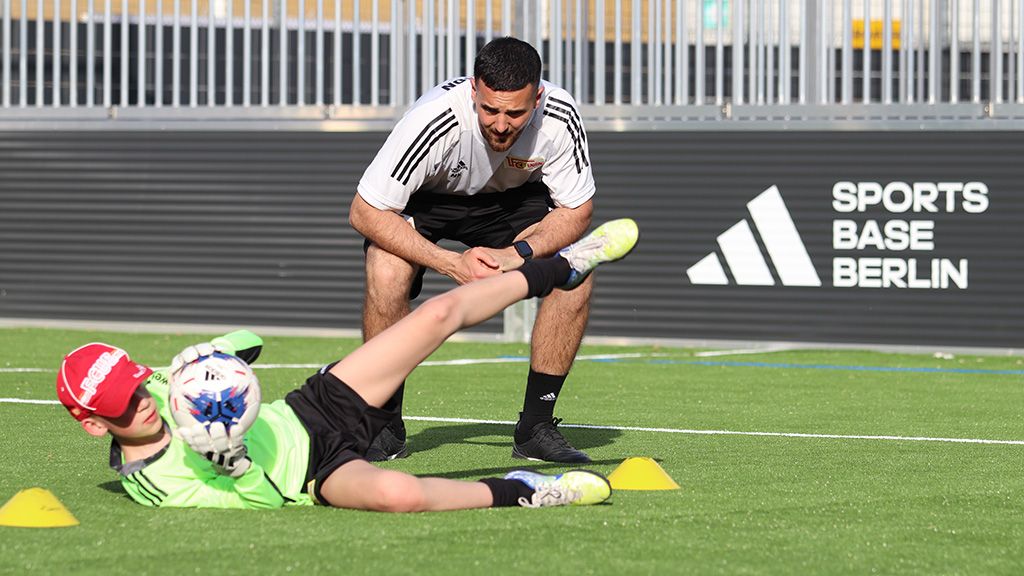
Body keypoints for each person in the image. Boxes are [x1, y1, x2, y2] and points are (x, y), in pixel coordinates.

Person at [55, 219, 638, 511]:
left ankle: (562, 266)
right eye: (126, 405)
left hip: (313, 405)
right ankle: (528, 490)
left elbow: (243, 350)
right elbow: (261, 502)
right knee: (400, 496)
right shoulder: (151, 485)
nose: (144, 401)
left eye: (138, 384)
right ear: (93, 423)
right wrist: (229, 461)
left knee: (438, 314)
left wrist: (214, 354)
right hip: (314, 475)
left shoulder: (157, 388)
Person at [350, 37, 600, 464]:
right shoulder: (435, 118)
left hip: (509, 203)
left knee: (575, 270)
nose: (501, 125)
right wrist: (451, 263)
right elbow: (365, 212)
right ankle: (383, 424)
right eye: (490, 109)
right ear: (473, 91)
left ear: (537, 98)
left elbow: (577, 209)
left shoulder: (559, 114)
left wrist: (518, 253)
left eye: (516, 113)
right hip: (431, 200)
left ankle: (536, 426)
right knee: (386, 269)